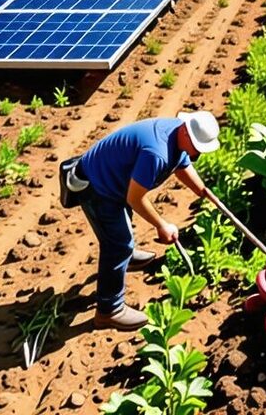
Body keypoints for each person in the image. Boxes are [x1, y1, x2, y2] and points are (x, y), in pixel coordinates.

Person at [60, 112, 219, 330]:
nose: (199, 153)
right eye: (198, 146)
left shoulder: (176, 133)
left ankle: (128, 257)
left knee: (122, 233)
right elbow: (135, 198)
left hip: (114, 180)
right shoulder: (156, 152)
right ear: (186, 132)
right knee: (117, 244)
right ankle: (109, 311)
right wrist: (162, 225)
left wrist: (203, 191)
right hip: (97, 187)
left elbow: (182, 164)